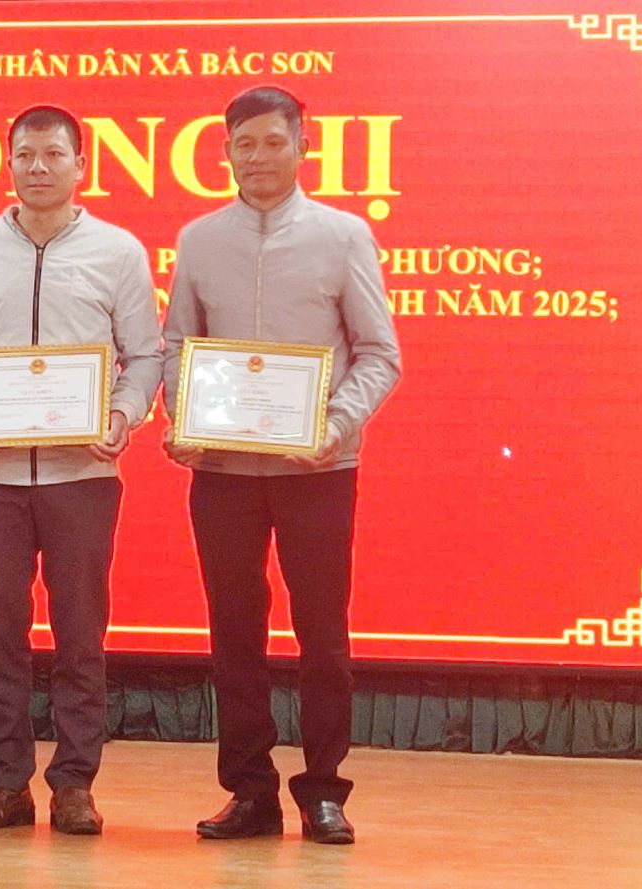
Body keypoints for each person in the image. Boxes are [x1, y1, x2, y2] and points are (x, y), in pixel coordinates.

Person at [162, 86, 401, 845]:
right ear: (225, 152)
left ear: (302, 146)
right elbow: (177, 344)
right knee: (234, 633)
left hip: (318, 470)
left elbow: (380, 353)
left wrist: (333, 426)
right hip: (223, 471)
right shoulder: (199, 239)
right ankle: (250, 791)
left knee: (322, 636)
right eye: (244, 144)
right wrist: (182, 418)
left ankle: (324, 790)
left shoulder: (343, 236)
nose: (258, 157)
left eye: (273, 141)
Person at [0, 105, 163, 835]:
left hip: (82, 476)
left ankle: (74, 784)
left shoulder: (118, 251)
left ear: (80, 165)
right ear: (7, 163)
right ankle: (6, 783)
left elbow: (145, 355)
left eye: (54, 154)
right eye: (25, 154)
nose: (38, 167)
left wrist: (123, 415)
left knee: (80, 634)